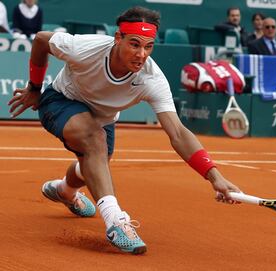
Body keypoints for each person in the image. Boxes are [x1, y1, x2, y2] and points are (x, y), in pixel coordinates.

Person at [8, 6, 240, 255]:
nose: (141, 54)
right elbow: (42, 39)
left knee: (97, 166)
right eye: (134, 44)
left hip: (102, 118)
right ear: (118, 38)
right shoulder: (85, 48)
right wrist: (34, 87)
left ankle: (65, 190)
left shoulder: (152, 78)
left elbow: (178, 133)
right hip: (61, 101)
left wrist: (215, 177)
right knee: (94, 141)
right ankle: (116, 222)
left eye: (148, 46)